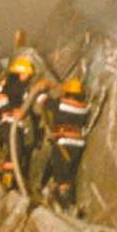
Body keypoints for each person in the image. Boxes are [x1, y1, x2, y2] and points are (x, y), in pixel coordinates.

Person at [0, 53, 39, 192]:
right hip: (8, 123)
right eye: (25, 74)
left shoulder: (23, 89)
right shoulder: (8, 86)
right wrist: (11, 111)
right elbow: (0, 99)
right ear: (18, 73)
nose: (27, 77)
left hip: (17, 125)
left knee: (14, 153)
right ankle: (9, 183)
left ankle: (8, 184)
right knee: (15, 151)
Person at [44, 75, 91, 211]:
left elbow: (45, 102)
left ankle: (65, 206)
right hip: (77, 144)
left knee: (62, 176)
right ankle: (69, 203)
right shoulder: (83, 108)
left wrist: (43, 90)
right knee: (70, 175)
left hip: (63, 143)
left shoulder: (62, 104)